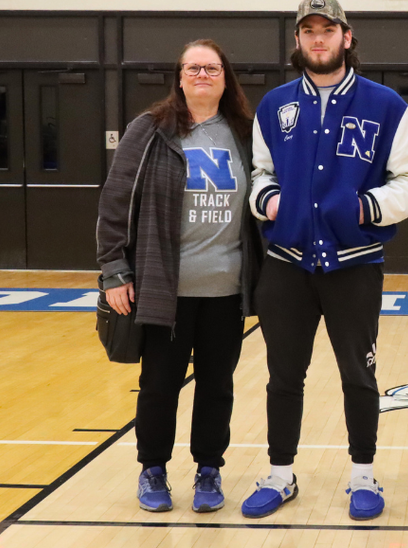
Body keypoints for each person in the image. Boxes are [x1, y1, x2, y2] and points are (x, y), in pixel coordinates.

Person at [242, 0, 408, 521]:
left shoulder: (385, 105)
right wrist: (269, 201)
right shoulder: (274, 105)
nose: (319, 39)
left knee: (359, 375)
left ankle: (363, 477)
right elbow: (259, 173)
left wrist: (367, 206)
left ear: (347, 38)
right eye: (309, 31)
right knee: (284, 375)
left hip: (354, 264)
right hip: (287, 263)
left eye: (329, 30)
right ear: (298, 41)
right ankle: (281, 475)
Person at [96, 39, 261, 513]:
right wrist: (114, 269)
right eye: (194, 68)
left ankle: (209, 471)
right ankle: (153, 470)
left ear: (225, 77)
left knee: (217, 386)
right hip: (165, 288)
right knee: (159, 386)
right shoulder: (149, 129)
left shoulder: (245, 133)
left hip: (226, 290)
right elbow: (115, 202)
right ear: (180, 76)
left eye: (212, 68)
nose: (203, 75)